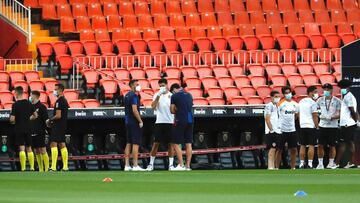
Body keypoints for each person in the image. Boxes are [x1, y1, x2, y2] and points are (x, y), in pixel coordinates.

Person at [146, 79, 175, 171]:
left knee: (170, 144)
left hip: (170, 122)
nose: (162, 87)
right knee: (155, 144)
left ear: (167, 85)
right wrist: (158, 95)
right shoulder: (156, 95)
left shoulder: (172, 96)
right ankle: (151, 164)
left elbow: (174, 109)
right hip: (159, 122)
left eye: (163, 85)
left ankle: (171, 165)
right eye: (160, 86)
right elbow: (153, 107)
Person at [10, 86, 38, 171]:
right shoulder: (29, 103)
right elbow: (36, 115)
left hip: (19, 129)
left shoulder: (15, 105)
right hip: (28, 128)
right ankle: (32, 167)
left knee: (21, 148)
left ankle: (23, 168)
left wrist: (12, 122)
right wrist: (28, 119)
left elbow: (12, 119)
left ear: (17, 93)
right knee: (29, 148)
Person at [316, 83, 341, 169]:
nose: (325, 91)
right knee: (320, 145)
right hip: (322, 126)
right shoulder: (319, 100)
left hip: (333, 126)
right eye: (324, 89)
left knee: (332, 145)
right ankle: (320, 164)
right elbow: (316, 110)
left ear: (331, 90)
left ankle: (331, 163)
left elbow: (339, 114)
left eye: (327, 89)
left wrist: (331, 117)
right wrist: (320, 115)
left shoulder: (337, 101)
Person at [170, 83, 193, 171]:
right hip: (190, 120)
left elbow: (172, 110)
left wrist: (176, 108)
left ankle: (181, 164)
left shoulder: (175, 96)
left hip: (180, 119)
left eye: (172, 92)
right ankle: (187, 166)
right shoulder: (189, 95)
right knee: (188, 143)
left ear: (175, 89)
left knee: (175, 143)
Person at [46, 84, 69, 171]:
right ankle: (65, 166)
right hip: (63, 125)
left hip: (58, 125)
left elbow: (58, 115)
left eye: (55, 89)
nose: (54, 91)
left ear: (60, 90)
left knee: (53, 143)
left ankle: (54, 167)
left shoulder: (59, 101)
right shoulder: (65, 101)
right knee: (62, 144)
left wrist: (50, 120)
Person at [336, 79, 358, 168]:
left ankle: (336, 163)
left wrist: (355, 120)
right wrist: (356, 121)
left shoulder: (348, 97)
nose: (342, 89)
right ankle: (352, 163)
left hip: (347, 124)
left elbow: (352, 110)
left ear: (348, 88)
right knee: (351, 143)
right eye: (341, 87)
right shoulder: (348, 96)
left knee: (343, 144)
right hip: (350, 123)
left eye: (343, 87)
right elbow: (355, 111)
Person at [124, 80, 145, 171]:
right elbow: (135, 110)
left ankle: (127, 165)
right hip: (134, 122)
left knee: (129, 143)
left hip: (128, 121)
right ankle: (135, 165)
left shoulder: (127, 95)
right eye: (137, 84)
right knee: (136, 143)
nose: (138, 86)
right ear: (132, 86)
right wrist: (140, 121)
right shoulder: (134, 96)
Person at [298, 86, 319, 169]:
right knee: (311, 145)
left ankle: (301, 163)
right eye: (315, 92)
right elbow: (315, 116)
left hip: (302, 126)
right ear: (310, 93)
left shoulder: (301, 101)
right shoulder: (313, 103)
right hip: (311, 126)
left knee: (302, 145)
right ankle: (310, 164)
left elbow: (298, 114)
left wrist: (300, 123)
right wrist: (317, 126)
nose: (316, 94)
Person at [278, 86, 298, 170]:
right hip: (282, 130)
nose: (288, 94)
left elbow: (296, 116)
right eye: (286, 93)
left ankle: (293, 167)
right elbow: (277, 115)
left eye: (289, 92)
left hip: (292, 130)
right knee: (279, 150)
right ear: (283, 94)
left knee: (293, 149)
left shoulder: (295, 104)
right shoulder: (280, 104)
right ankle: (276, 167)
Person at [30, 90, 50, 172]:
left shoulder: (42, 107)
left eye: (31, 95)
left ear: (35, 96)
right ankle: (41, 169)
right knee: (36, 151)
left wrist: (48, 127)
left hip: (40, 131)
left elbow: (46, 119)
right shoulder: (30, 107)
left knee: (42, 149)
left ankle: (47, 168)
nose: (30, 97)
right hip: (31, 131)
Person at [264, 90, 282, 170]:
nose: (278, 98)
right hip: (271, 131)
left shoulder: (277, 106)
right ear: (271, 97)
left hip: (277, 130)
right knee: (272, 148)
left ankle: (274, 166)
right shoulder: (269, 106)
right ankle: (270, 166)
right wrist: (271, 130)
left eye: (279, 97)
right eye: (276, 97)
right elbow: (267, 119)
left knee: (276, 149)